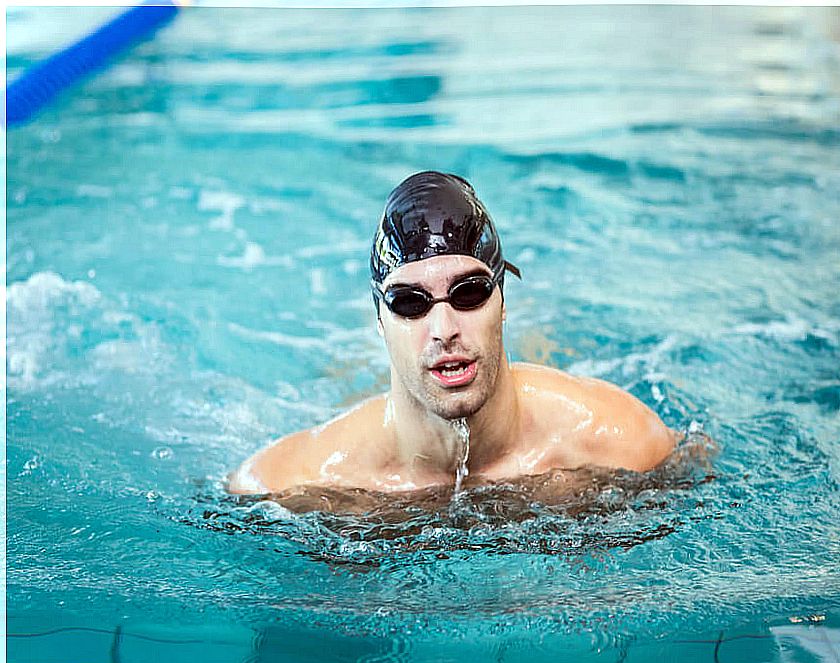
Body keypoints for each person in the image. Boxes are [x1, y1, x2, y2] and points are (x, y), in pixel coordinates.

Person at [228, 171, 679, 495]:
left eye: (469, 294)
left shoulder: (623, 443)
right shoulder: (302, 484)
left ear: (503, 301)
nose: (444, 330)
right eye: (409, 303)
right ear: (380, 322)